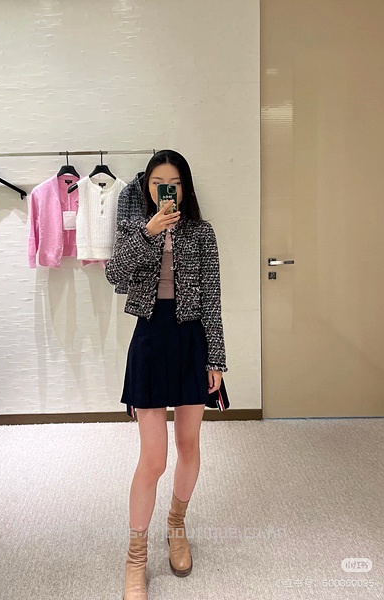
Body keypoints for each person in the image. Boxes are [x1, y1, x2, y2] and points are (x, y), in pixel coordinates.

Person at [105, 149, 228, 600]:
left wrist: (216, 359)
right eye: (157, 183)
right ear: (147, 187)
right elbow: (114, 275)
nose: (165, 190)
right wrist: (148, 232)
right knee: (153, 458)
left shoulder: (202, 232)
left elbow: (212, 296)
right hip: (151, 339)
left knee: (189, 444)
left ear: (185, 187)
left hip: (192, 340)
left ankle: (176, 526)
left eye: (173, 183)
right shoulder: (135, 228)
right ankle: (135, 557)